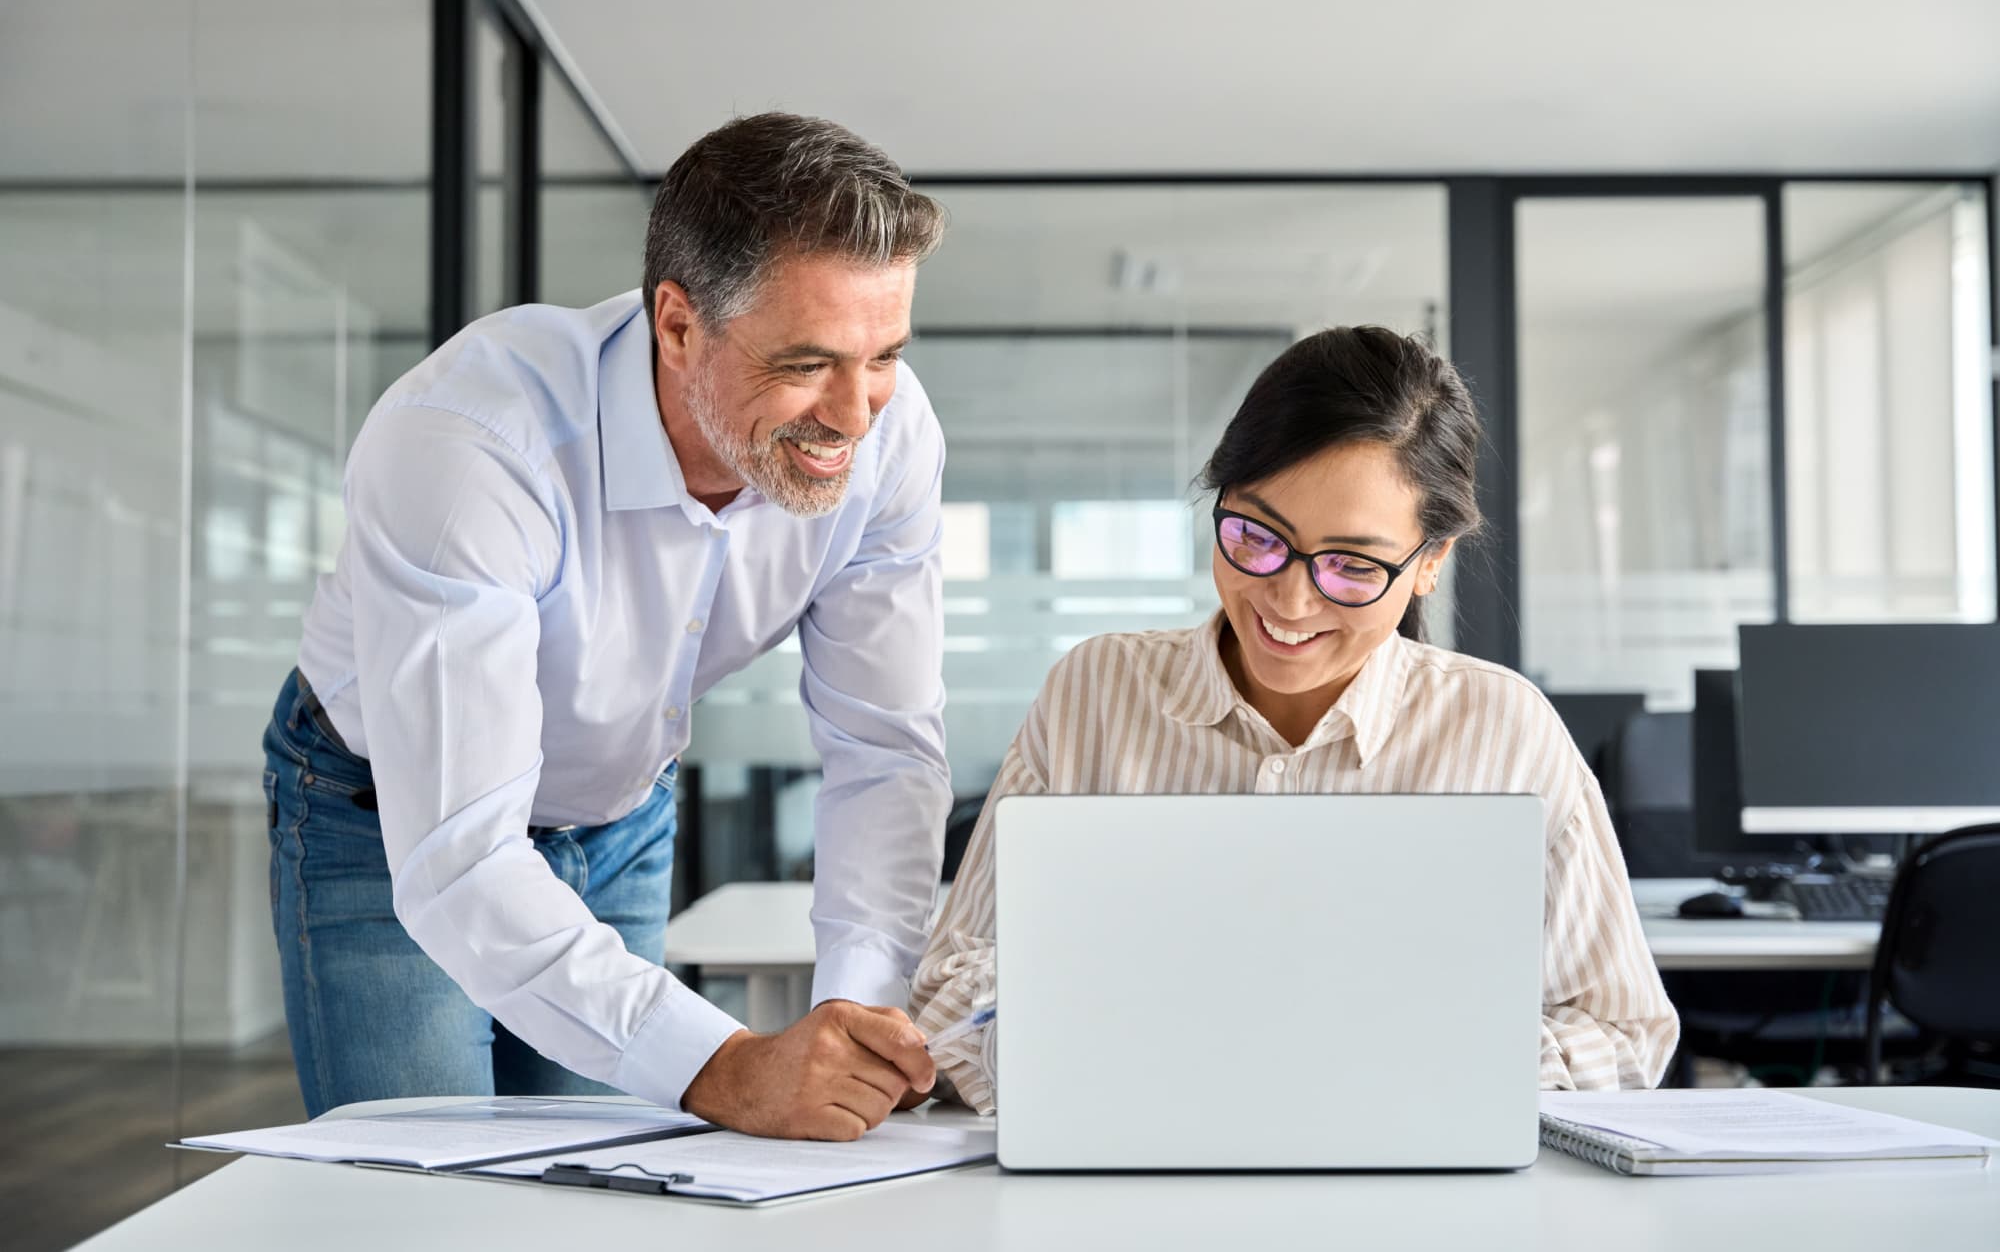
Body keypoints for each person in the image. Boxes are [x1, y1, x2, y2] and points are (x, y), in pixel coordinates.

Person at [266, 113, 949, 1141]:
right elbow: (461, 857)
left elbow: (883, 750)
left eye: (883, 355)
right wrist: (725, 1067)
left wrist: (855, 1023)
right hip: (383, 813)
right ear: (678, 326)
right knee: (422, 1182)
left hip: (620, 811)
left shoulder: (890, 439)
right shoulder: (472, 443)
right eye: (808, 363)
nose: (855, 415)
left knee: (608, 1184)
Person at [908, 326, 1679, 1113]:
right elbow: (950, 986)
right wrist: (1083, 1045)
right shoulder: (1098, 694)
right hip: (1135, 1142)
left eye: (1352, 564)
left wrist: (1427, 1055)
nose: (1288, 599)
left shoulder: (1505, 732)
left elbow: (1622, 1034)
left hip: (1408, 1161)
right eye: (1257, 535)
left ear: (1429, 563)